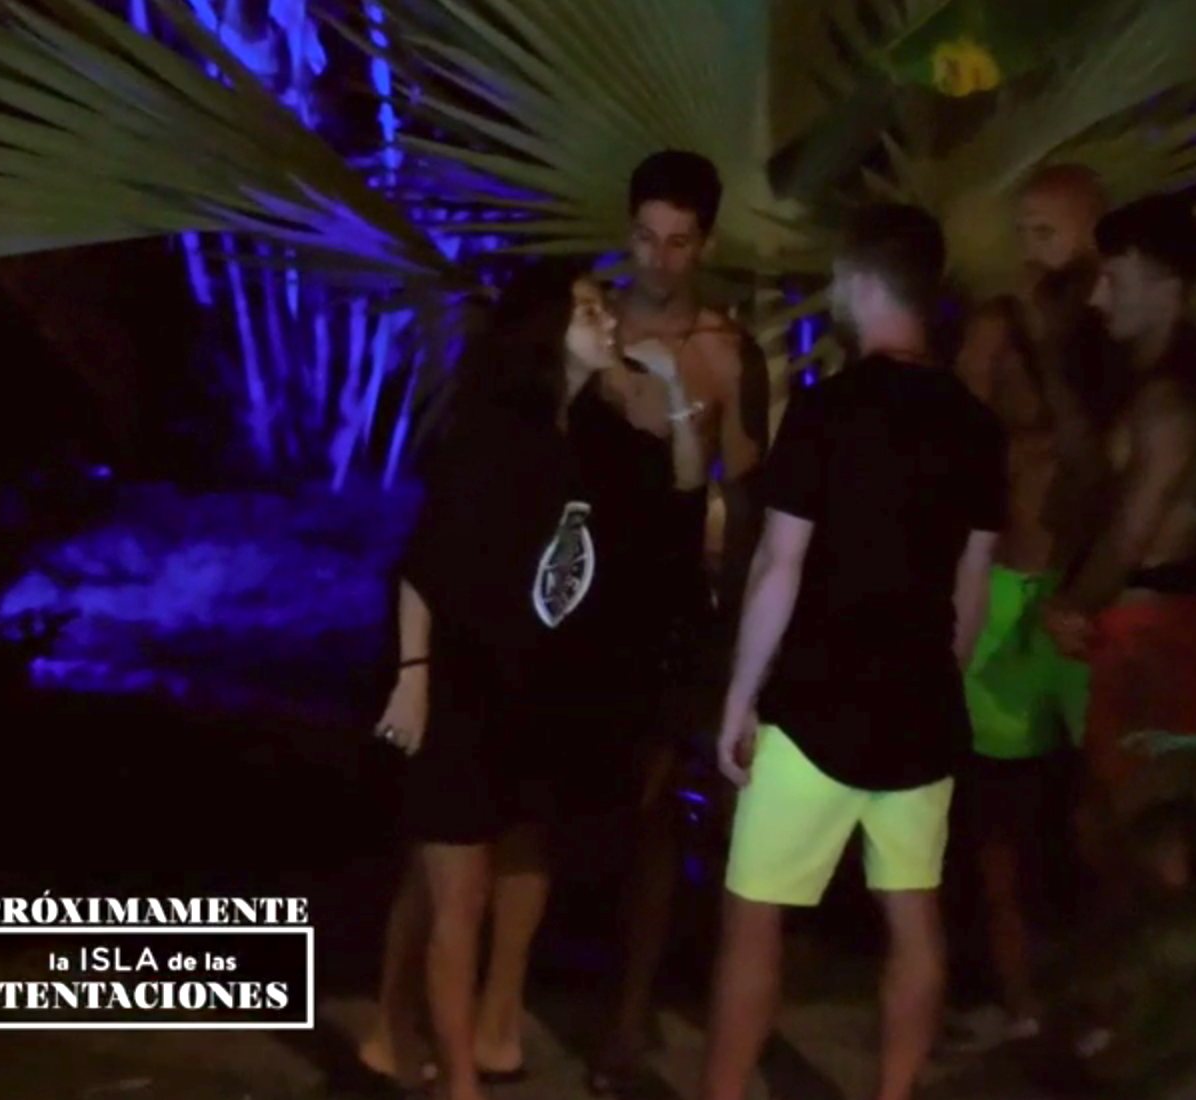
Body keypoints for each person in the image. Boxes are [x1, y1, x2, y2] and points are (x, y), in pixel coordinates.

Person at [359, 266, 707, 1100]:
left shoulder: (594, 436)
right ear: (546, 333)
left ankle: (483, 1034)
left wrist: (672, 395)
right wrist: (413, 678)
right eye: (587, 312)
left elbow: (679, 505)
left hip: (539, 696)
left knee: (521, 862)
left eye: (603, 309)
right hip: (465, 689)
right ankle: (452, 1076)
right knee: (454, 893)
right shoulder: (491, 435)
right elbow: (425, 564)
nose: (607, 321)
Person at [700, 204, 1007, 1100]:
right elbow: (974, 581)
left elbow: (780, 565)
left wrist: (739, 697)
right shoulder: (975, 425)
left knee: (755, 918)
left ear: (863, 285)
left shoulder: (828, 409)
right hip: (919, 708)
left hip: (815, 702)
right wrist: (942, 675)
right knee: (913, 918)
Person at [591, 150, 772, 1095]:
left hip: (671, 605)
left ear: (703, 244)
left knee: (659, 810)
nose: (659, 259)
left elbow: (748, 498)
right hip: (582, 593)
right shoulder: (590, 327)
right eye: (647, 238)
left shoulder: (727, 352)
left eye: (679, 242)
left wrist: (740, 633)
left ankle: (632, 1019)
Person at [941, 165, 1110, 1050]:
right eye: (1024, 231)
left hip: (1085, 594)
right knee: (997, 815)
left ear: (1093, 233)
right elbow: (952, 436)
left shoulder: (1114, 334)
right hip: (1008, 585)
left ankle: (1105, 997)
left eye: (1048, 231)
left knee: (1093, 812)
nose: (1031, 248)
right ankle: (1020, 1001)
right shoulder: (999, 328)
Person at [1042, 194, 1196, 899]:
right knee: (1108, 815)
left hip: (1154, 625)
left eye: (1114, 279)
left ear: (1165, 287)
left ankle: (1167, 954)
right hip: (1144, 617)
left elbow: (1134, 525)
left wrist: (1073, 602)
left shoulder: (1170, 404)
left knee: (1140, 817)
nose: (1099, 298)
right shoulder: (1173, 386)